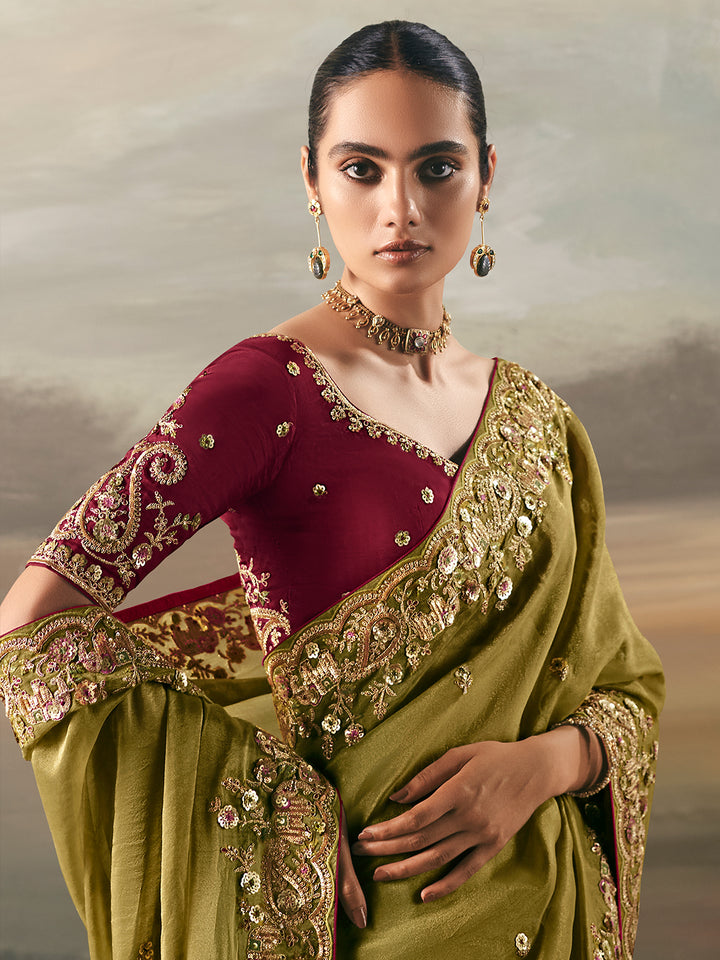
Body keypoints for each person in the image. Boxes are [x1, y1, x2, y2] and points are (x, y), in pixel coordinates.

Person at [0, 20, 664, 960]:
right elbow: (34, 627)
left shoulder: (543, 426)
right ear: (311, 181)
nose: (402, 207)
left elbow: (623, 687)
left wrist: (543, 766)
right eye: (362, 169)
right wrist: (273, 816)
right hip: (366, 930)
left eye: (437, 167)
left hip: (547, 911)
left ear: (486, 175)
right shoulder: (263, 389)